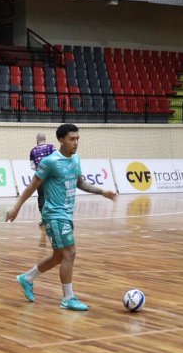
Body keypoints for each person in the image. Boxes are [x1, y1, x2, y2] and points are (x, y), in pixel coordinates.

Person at [6, 123, 118, 311]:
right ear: (60, 140)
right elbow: (32, 186)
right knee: (70, 253)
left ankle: (27, 278)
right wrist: (16, 208)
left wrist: (102, 192)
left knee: (59, 256)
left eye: (77, 139)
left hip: (66, 214)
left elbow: (80, 183)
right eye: (71, 139)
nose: (75, 143)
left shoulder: (76, 160)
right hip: (54, 215)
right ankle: (68, 298)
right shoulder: (50, 162)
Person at [29, 132, 55, 226]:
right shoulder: (51, 147)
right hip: (52, 176)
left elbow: (32, 167)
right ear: (45, 139)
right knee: (53, 197)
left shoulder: (33, 151)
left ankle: (44, 219)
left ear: (37, 140)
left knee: (41, 197)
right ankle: (54, 218)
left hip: (40, 177)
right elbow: (57, 160)